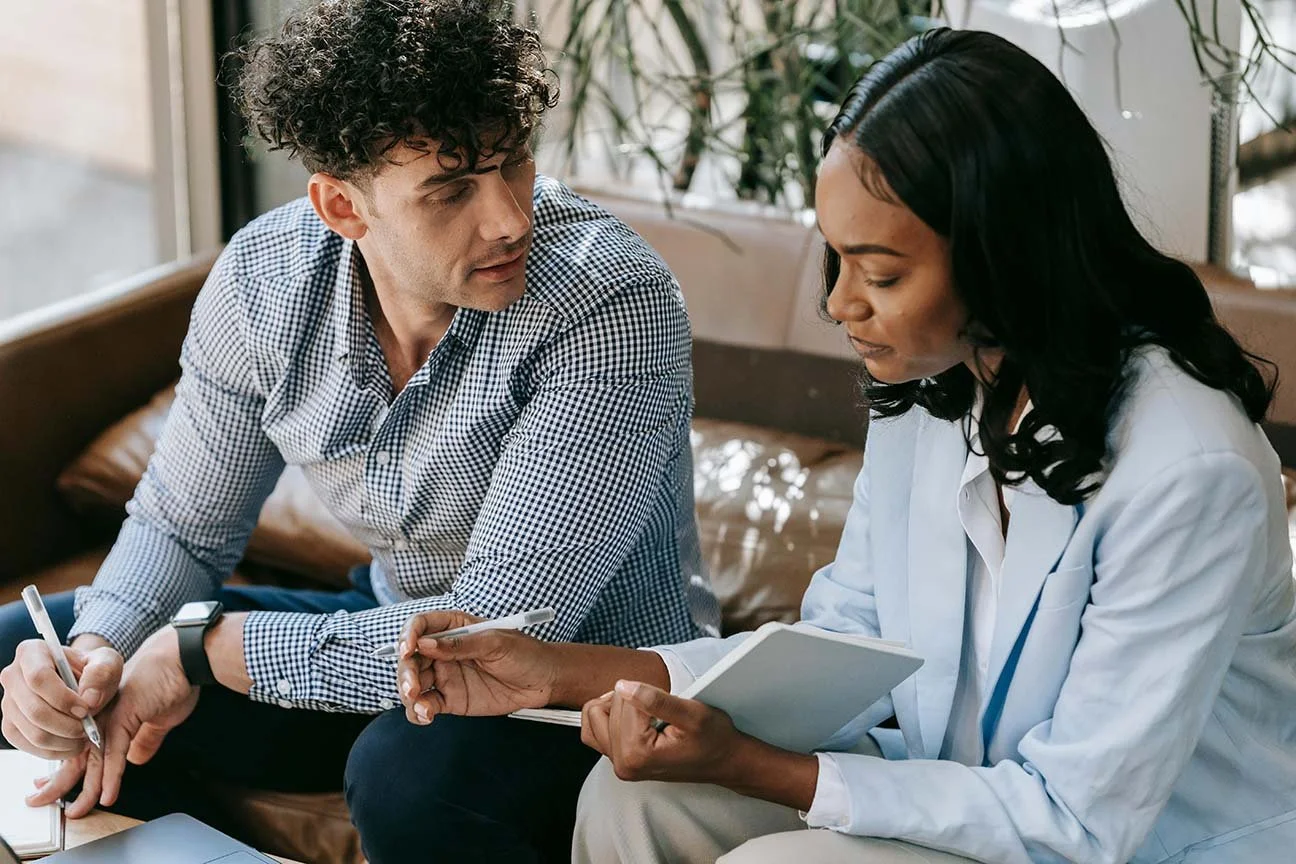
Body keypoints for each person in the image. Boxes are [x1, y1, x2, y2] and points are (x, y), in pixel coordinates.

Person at [394, 27, 1296, 864]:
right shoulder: (938, 388)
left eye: (882, 273)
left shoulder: (1190, 470)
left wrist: (751, 765)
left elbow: (1076, 819)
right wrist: (553, 672)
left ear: (1004, 254)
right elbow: (844, 649)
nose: (839, 303)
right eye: (836, 258)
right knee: (636, 802)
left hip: (1126, 844)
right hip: (967, 793)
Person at [0, 1, 718, 861]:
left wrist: (203, 649)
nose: (509, 219)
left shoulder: (611, 299)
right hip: (382, 628)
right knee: (32, 651)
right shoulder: (263, 282)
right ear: (342, 206)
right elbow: (181, 527)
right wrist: (93, 657)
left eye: (514, 163)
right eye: (451, 190)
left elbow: (494, 635)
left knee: (408, 774)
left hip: (582, 682)